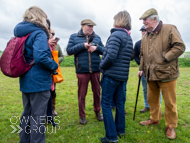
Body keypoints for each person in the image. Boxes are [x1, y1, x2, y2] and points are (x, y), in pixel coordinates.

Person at [137, 8, 185, 140]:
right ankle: (155, 118)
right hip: (150, 75)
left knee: (169, 102)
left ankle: (170, 126)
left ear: (154, 19)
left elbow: (180, 46)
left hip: (167, 74)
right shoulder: (146, 35)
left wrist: (165, 57)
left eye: (145, 19)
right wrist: (141, 68)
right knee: (152, 99)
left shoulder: (170, 29)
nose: (143, 22)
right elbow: (142, 55)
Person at [14, 6, 58, 143]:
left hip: (26, 79)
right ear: (39, 17)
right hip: (38, 81)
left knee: (26, 115)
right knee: (38, 119)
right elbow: (40, 57)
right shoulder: (39, 33)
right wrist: (54, 65)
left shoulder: (22, 32)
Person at [100, 10, 133, 143]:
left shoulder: (115, 35)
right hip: (122, 76)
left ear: (118, 21)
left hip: (112, 75)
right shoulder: (128, 37)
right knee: (120, 104)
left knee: (106, 104)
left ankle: (111, 137)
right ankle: (120, 130)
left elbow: (111, 56)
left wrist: (102, 65)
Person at [66, 19, 104, 125]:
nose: (91, 28)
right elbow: (69, 51)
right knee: (82, 94)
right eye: (89, 26)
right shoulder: (74, 37)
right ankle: (82, 116)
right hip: (82, 71)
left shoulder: (97, 37)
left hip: (96, 70)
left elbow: (105, 50)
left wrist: (96, 48)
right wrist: (82, 46)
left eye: (92, 27)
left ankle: (98, 112)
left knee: (97, 93)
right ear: (82, 26)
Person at [134, 26, 162, 113]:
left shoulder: (154, 41)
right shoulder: (138, 43)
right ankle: (147, 105)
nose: (143, 32)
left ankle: (158, 107)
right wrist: (140, 65)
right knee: (145, 88)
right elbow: (135, 55)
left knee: (156, 89)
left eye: (145, 30)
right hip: (143, 70)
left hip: (154, 70)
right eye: (142, 31)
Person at [49, 28, 64, 116]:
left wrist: (55, 60)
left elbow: (62, 56)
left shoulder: (57, 45)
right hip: (45, 71)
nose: (52, 35)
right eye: (51, 33)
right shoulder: (43, 44)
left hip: (53, 71)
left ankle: (53, 108)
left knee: (53, 91)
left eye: (53, 34)